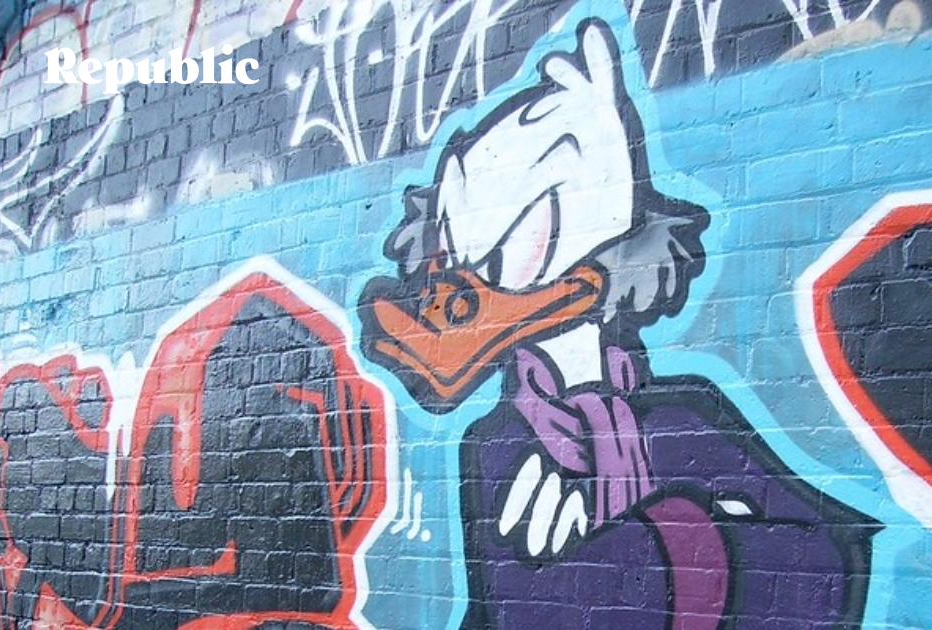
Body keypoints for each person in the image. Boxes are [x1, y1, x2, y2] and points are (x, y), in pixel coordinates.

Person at [358, 18, 876, 628]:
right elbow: (519, 611)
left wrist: (662, 533)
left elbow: (834, 556)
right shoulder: (497, 445)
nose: (469, 290)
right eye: (462, 262)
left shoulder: (684, 418)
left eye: (495, 261)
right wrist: (712, 534)